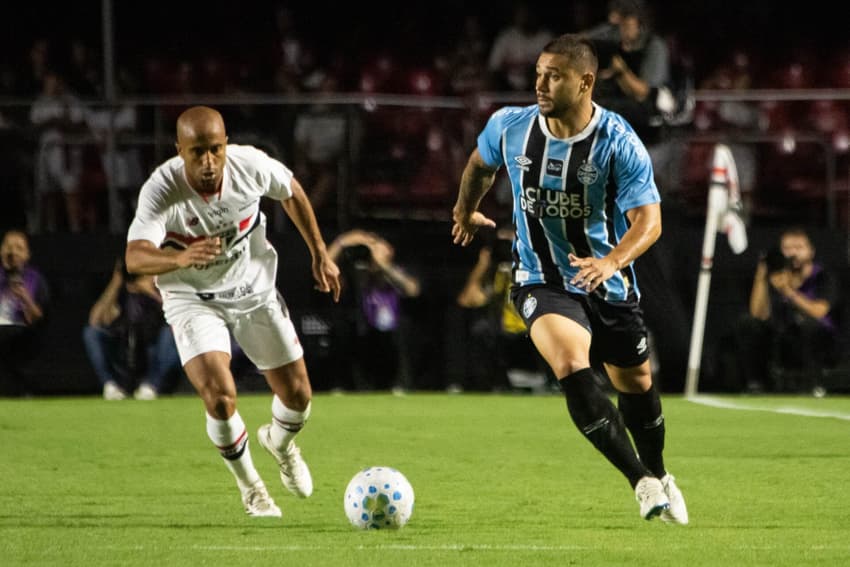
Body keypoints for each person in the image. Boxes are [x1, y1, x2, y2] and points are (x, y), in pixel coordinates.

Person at [451, 34, 687, 524]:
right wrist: (465, 210)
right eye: (538, 72)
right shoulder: (509, 126)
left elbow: (650, 220)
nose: (538, 83)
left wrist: (611, 263)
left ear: (585, 82)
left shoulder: (618, 141)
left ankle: (659, 472)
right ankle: (639, 481)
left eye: (552, 75)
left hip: (608, 282)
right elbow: (479, 165)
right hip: (541, 277)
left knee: (637, 384)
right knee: (569, 363)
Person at [125, 105, 341, 518]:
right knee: (220, 397)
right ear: (180, 150)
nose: (208, 163)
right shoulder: (162, 188)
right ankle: (252, 489)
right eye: (197, 153)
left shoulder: (250, 164)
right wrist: (182, 258)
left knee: (298, 398)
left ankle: (278, 443)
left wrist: (319, 253)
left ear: (225, 145)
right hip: (192, 299)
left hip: (253, 290)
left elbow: (291, 191)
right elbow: (135, 257)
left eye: (215, 150)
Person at [736, 227, 841, 393]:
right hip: (783, 337)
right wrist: (762, 277)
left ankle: (814, 384)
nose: (793, 253)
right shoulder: (776, 277)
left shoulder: (823, 276)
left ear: (810, 251)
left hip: (816, 339)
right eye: (787, 248)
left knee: (809, 326)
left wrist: (788, 292)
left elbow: (819, 312)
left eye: (799, 248)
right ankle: (755, 383)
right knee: (748, 323)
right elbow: (758, 313)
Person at [327, 229, 420, 392]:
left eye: (377, 246)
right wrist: (342, 242)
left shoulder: (399, 271)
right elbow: (324, 271)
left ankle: (399, 385)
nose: (372, 251)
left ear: (390, 250)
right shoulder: (358, 276)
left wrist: (383, 265)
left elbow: (412, 290)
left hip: (395, 342)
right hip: (366, 340)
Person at [83, 257, 181, 401]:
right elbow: (95, 320)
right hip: (125, 347)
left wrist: (150, 291)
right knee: (91, 333)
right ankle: (110, 386)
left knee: (170, 335)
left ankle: (151, 385)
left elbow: (177, 318)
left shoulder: (163, 287)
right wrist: (116, 282)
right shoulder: (122, 292)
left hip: (154, 350)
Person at [0, 229, 50, 395]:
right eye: (8, 247)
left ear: (27, 254)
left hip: (21, 330)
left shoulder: (35, 278)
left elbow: (37, 317)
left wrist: (24, 297)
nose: (12, 251)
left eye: (18, 248)